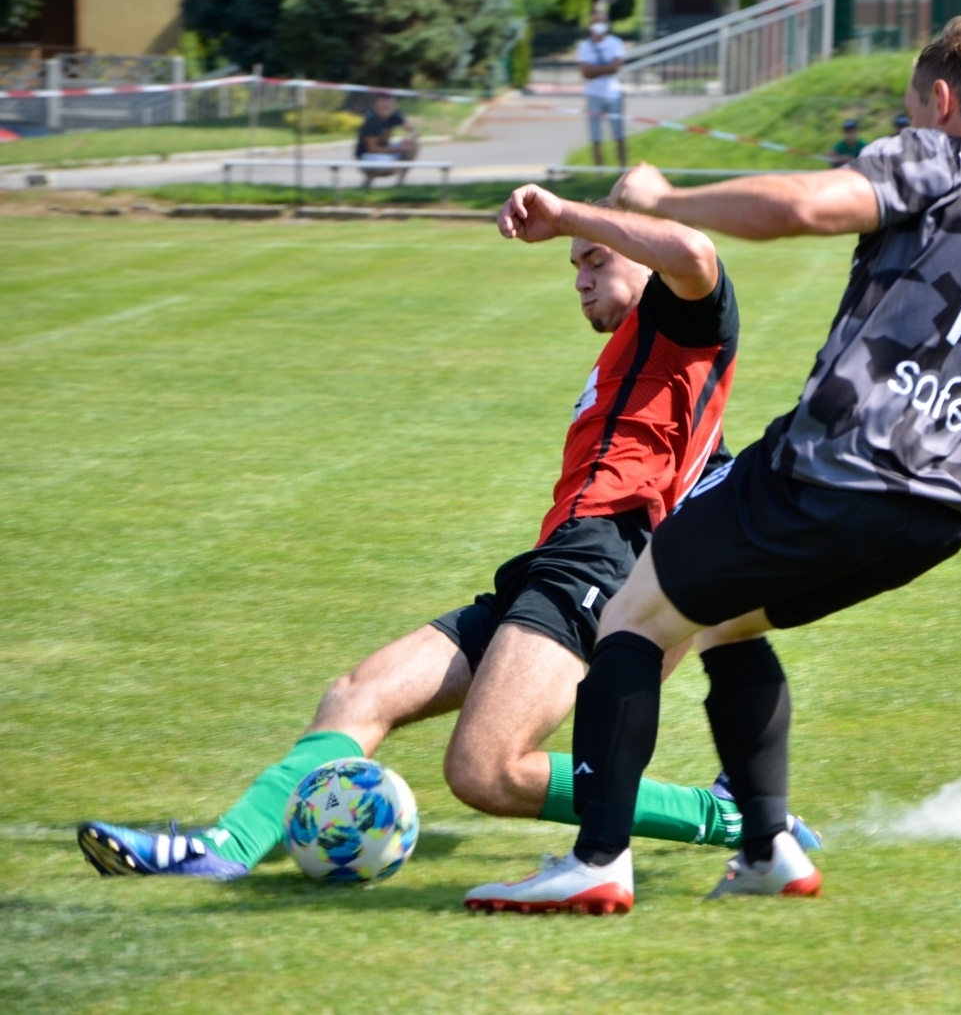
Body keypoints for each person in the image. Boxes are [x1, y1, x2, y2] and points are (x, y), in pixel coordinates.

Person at [462, 16, 961, 915]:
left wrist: (667, 198)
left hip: (838, 463)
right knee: (724, 625)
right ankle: (767, 846)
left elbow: (805, 208)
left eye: (910, 110)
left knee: (631, 617)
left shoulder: (937, 159)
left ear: (938, 100)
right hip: (940, 511)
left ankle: (598, 860)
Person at [77, 192, 822, 883]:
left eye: (595, 259)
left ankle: (722, 817)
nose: (580, 278)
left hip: (602, 561)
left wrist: (570, 213)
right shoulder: (642, 363)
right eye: (574, 266)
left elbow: (692, 252)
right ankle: (225, 850)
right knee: (359, 694)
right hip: (557, 561)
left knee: (485, 770)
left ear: (640, 256)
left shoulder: (682, 324)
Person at [578, 4, 628, 168]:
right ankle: (599, 170)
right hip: (593, 93)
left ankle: (622, 168)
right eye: (595, 22)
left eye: (601, 22)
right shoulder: (584, 46)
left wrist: (596, 69)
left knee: (619, 133)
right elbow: (585, 72)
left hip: (613, 93)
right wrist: (605, 69)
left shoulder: (615, 43)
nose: (598, 25)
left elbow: (615, 67)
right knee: (596, 136)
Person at [355, 95, 421, 187]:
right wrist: (398, 150)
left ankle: (401, 183)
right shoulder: (371, 120)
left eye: (389, 107)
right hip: (367, 155)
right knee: (392, 167)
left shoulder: (395, 114)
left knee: (413, 145)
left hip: (385, 148)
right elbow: (372, 148)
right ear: (377, 107)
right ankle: (368, 180)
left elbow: (414, 130)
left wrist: (408, 139)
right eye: (383, 107)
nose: (386, 110)